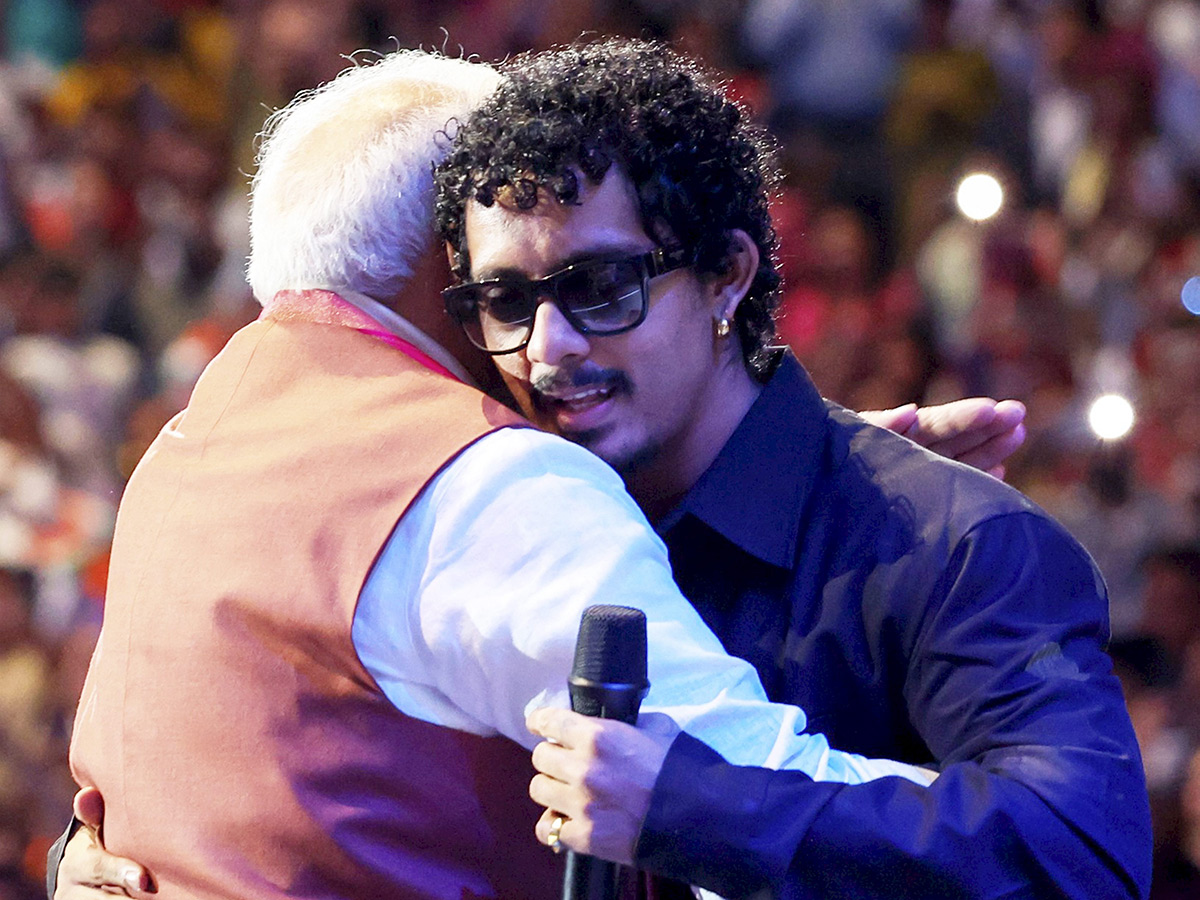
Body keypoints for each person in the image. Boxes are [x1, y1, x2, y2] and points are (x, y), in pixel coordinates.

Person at [47, 47, 1022, 900]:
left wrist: (812, 474)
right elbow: (756, 803)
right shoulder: (492, 483)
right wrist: (1042, 830)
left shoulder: (188, 445)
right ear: (463, 255)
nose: (553, 337)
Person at [429, 38, 1151, 899]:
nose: (547, 348)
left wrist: (692, 806)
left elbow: (1082, 858)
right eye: (507, 299)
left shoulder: (951, 541)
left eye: (603, 285)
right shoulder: (517, 530)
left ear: (727, 277)